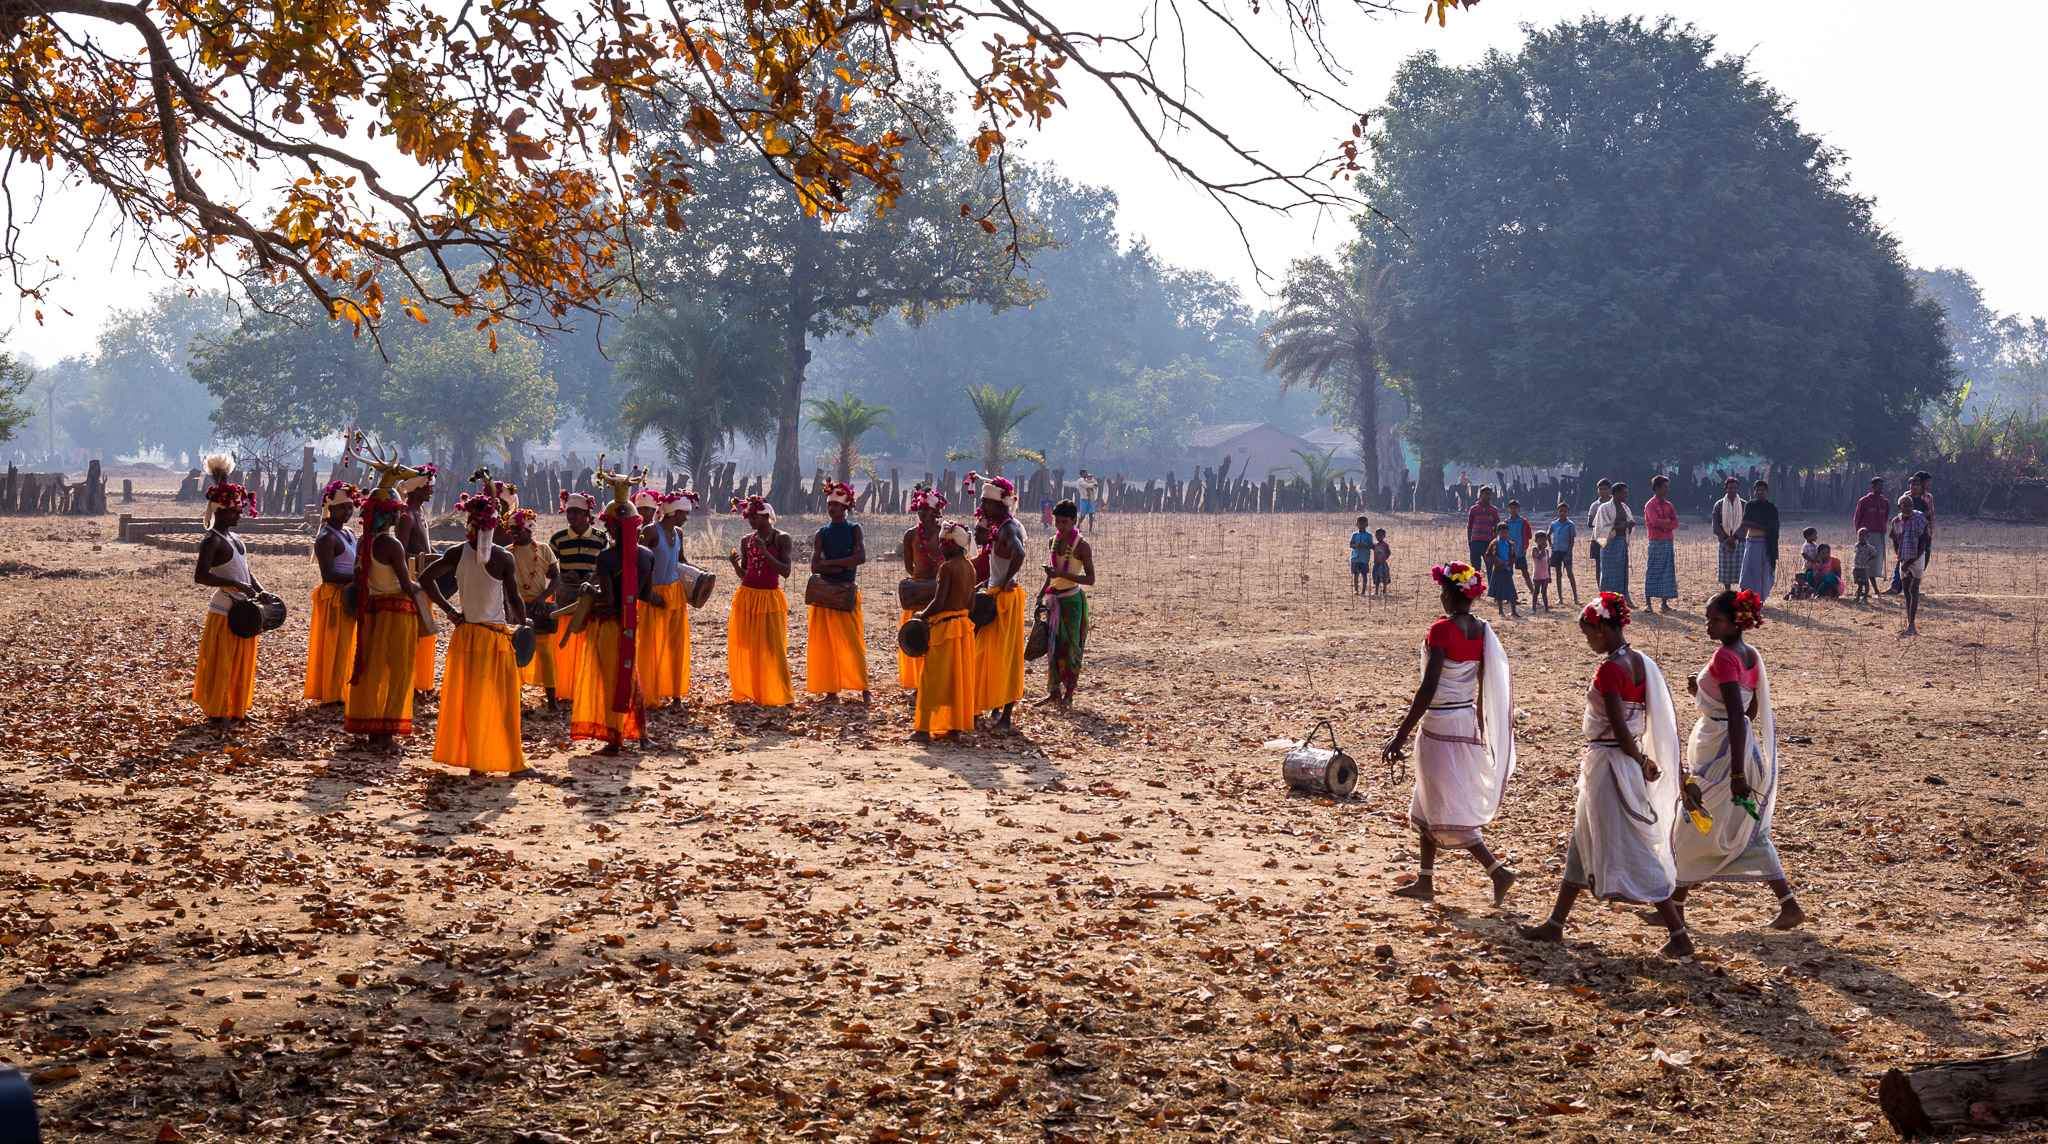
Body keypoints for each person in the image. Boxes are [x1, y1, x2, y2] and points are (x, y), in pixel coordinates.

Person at [1517, 593, 1692, 958]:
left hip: (1612, 765)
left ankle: (1678, 932)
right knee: (1581, 840)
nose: (1588, 642)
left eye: (1588, 635)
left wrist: (1640, 757)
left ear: (1602, 627)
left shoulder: (1611, 669)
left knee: (1633, 846)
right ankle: (1555, 924)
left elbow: (1618, 725)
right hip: (1620, 764)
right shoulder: (1640, 663)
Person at [1380, 562, 1518, 905]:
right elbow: (1484, 683)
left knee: (1447, 802)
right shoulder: (1483, 630)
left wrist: (1401, 735)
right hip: (1464, 720)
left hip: (1440, 724)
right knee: (1428, 797)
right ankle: (1425, 880)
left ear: (1447, 593)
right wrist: (1483, 728)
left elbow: (1428, 689)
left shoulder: (1441, 630)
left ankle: (1497, 871)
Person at [1671, 590, 1806, 930]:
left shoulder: (1725, 659)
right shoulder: (1749, 655)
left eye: (1715, 619)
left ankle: (1673, 910)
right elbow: (1749, 709)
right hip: (1739, 747)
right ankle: (1788, 905)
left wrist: (1734, 775)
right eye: (1707, 618)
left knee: (1692, 821)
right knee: (1742, 827)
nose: (1708, 625)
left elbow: (1734, 714)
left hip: (1723, 749)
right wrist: (1702, 693)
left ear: (1736, 621)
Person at [420, 491, 531, 774]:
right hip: (493, 636)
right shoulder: (503, 558)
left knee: (472, 699)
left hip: (466, 633)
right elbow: (515, 599)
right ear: (494, 526)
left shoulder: (458, 552)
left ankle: (476, 761)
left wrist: (450, 611)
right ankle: (509, 763)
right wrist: (525, 623)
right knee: (501, 701)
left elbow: (425, 577)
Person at [572, 485, 656, 753]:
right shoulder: (648, 555)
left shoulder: (606, 557)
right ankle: (641, 735)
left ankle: (615, 738)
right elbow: (646, 593)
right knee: (630, 677)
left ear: (617, 527)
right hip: (631, 624)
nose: (607, 531)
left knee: (611, 680)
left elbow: (607, 599)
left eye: (609, 526)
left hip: (609, 626)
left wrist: (588, 590)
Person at [345, 481, 424, 753]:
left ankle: (371, 732)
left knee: (373, 670)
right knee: (398, 672)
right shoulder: (392, 544)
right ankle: (387, 735)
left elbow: (357, 580)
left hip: (373, 612)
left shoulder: (363, 542)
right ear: (390, 515)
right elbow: (406, 585)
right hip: (398, 613)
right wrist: (423, 585)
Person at [192, 454, 266, 732]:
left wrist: (259, 590)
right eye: (234, 510)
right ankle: (217, 712)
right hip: (224, 609)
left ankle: (236, 708)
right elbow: (201, 576)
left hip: (244, 608)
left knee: (240, 663)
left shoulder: (234, 538)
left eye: (239, 509)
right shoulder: (211, 539)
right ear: (219, 510)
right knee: (223, 663)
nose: (239, 514)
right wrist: (237, 587)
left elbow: (245, 571)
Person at [911, 520, 979, 743]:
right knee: (956, 680)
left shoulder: (947, 568)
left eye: (945, 543)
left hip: (945, 629)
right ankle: (954, 728)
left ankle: (923, 730)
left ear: (956, 544)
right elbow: (971, 607)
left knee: (932, 679)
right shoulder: (970, 567)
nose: (940, 548)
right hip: (963, 629)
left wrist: (922, 615)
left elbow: (939, 602)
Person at [970, 472, 1028, 730]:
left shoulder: (1008, 528)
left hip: (1004, 600)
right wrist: (991, 582)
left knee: (1003, 656)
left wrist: (1004, 583)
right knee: (985, 655)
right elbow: (1000, 563)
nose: (982, 507)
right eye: (982, 501)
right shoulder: (999, 527)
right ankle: (986, 707)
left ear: (999, 505)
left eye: (986, 502)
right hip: (995, 594)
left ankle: (1005, 716)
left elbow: (1019, 553)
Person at [726, 494, 795, 705]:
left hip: (770, 597)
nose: (751, 520)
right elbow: (746, 573)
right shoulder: (746, 540)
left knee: (774, 647)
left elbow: (786, 571)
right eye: (749, 516)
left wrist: (765, 551)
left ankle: (782, 694)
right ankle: (753, 691)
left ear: (766, 516)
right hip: (747, 595)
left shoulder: (781, 538)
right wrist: (736, 566)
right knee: (748, 647)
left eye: (755, 516)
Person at [807, 482, 871, 704]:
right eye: (829, 504)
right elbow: (814, 567)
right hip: (824, 593)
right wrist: (845, 565)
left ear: (846, 507)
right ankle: (831, 692)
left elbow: (861, 558)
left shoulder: (855, 529)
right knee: (825, 644)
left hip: (846, 593)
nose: (831, 508)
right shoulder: (821, 533)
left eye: (835, 504)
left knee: (852, 642)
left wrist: (830, 564)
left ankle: (864, 689)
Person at [305, 480, 361, 707]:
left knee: (347, 645)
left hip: (349, 594)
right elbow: (328, 574)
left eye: (350, 508)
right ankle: (332, 691)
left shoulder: (347, 532)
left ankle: (343, 687)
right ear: (330, 509)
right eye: (342, 508)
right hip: (335, 597)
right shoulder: (326, 538)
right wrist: (358, 578)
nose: (347, 512)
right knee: (334, 646)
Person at [638, 490, 695, 708]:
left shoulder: (678, 533)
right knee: (650, 645)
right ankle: (648, 694)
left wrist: (697, 580)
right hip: (653, 593)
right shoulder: (650, 531)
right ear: (673, 512)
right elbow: (639, 561)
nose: (686, 518)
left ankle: (675, 695)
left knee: (676, 645)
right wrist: (649, 594)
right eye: (683, 514)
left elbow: (680, 560)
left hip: (675, 592)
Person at [551, 491, 608, 706]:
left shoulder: (601, 538)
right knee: (565, 640)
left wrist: (591, 577)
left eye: (576, 512)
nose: (571, 516)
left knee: (588, 639)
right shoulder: (558, 539)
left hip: (591, 597)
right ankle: (565, 685)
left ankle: (588, 686)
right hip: (565, 597)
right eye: (569, 512)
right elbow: (550, 569)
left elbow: (605, 567)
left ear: (587, 513)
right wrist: (564, 575)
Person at [1039, 499, 1095, 709]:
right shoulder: (1053, 541)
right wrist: (1040, 595)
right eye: (1057, 522)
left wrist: (1062, 574)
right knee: (1052, 647)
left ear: (1074, 520)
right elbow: (1052, 574)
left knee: (1070, 648)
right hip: (1054, 599)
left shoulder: (1082, 545)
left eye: (1064, 522)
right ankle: (1053, 692)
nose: (1060, 527)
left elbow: (1090, 579)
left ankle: (1069, 693)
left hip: (1072, 601)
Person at [508, 509, 564, 709]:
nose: (514, 532)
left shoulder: (543, 550)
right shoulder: (507, 553)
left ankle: (552, 702)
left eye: (518, 528)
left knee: (547, 655)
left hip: (540, 608)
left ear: (529, 529)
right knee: (513, 653)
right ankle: (513, 697)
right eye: (512, 528)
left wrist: (543, 597)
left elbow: (556, 576)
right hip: (516, 608)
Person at [899, 486, 949, 700]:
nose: (922, 512)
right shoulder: (910, 534)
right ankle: (920, 681)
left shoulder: (946, 532)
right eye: (919, 508)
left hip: (940, 590)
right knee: (917, 637)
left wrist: (937, 582)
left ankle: (936, 680)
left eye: (926, 509)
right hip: (918, 592)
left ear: (936, 511)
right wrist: (920, 583)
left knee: (937, 637)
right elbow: (909, 567)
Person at [394, 464, 440, 698]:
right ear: (417, 489)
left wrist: (435, 555)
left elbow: (424, 547)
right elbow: (399, 554)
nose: (431, 492)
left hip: (424, 576)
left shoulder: (419, 513)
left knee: (426, 632)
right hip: (411, 579)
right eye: (428, 488)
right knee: (415, 632)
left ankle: (421, 681)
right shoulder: (405, 516)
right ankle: (409, 682)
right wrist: (427, 557)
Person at [1892, 493, 1932, 636]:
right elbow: (1896, 541)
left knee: (1914, 589)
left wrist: (1909, 562)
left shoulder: (1919, 519)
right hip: (1904, 558)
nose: (1909, 508)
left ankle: (1911, 624)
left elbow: (1923, 543)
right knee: (1907, 592)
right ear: (1899, 507)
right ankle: (1910, 626)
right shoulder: (1896, 521)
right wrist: (1901, 559)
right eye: (1905, 506)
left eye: (1910, 505)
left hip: (1918, 557)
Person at [1737, 479, 1779, 602]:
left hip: (1766, 544)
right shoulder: (1750, 505)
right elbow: (1745, 522)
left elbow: (1774, 526)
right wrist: (1763, 526)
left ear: (1766, 492)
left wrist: (1758, 524)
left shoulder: (1771, 508)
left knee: (1764, 572)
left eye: (1763, 490)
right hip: (1752, 542)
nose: (1760, 492)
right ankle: (1745, 598)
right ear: (1754, 492)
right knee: (1748, 571)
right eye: (1758, 490)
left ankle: (1760, 599)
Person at [1593, 480, 1634, 602]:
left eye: (1627, 493)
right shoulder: (1604, 508)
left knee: (1621, 572)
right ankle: (1606, 599)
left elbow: (1628, 524)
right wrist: (1617, 527)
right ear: (1616, 493)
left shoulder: (1625, 508)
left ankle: (1621, 598)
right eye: (1624, 493)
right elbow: (1599, 528)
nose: (1626, 495)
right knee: (1608, 573)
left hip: (1622, 542)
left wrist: (1629, 525)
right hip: (1609, 544)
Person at [1643, 475, 1679, 611]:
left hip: (1668, 541)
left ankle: (1664, 604)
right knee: (1652, 571)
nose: (1667, 489)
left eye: (1668, 487)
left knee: (1667, 572)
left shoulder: (1669, 505)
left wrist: (1665, 524)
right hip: (1656, 541)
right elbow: (1655, 522)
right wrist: (1667, 523)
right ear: (1657, 488)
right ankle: (1648, 603)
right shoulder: (1650, 505)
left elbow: (1676, 522)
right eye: (1665, 486)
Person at [1710, 476, 1746, 591]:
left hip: (1740, 542)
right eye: (1730, 488)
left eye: (1735, 488)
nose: (1733, 490)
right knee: (1725, 571)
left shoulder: (1744, 504)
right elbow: (1715, 525)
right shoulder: (1719, 505)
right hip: (1724, 542)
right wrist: (1726, 539)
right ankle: (1727, 592)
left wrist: (1735, 537)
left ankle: (1742, 594)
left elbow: (1746, 524)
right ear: (1725, 489)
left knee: (1742, 571)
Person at [1485, 521, 1520, 618]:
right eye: (1502, 532)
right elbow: (1487, 556)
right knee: (1499, 592)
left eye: (1506, 533)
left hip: (1507, 570)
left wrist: (1509, 562)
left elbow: (1514, 557)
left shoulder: (1511, 544)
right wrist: (1497, 561)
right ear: (1497, 533)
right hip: (1497, 570)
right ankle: (1500, 611)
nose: (1504, 534)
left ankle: (1514, 611)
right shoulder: (1494, 543)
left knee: (1511, 591)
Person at [1502, 500, 1536, 596]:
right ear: (1508, 510)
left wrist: (1524, 544)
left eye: (1515, 508)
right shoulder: (1506, 522)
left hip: (1520, 551)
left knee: (1525, 573)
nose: (1513, 510)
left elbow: (1529, 535)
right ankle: (1508, 594)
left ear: (1519, 509)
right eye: (1511, 508)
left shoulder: (1523, 522)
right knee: (1509, 573)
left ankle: (1534, 594)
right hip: (1509, 552)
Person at [1548, 502, 1579, 604]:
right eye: (1560, 511)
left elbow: (1572, 540)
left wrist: (1568, 554)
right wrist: (1551, 544)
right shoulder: (1554, 524)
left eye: (1565, 511)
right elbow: (1548, 534)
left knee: (1570, 574)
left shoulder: (1570, 525)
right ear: (1557, 512)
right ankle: (1560, 598)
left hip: (1566, 551)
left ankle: (1575, 598)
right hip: (1556, 551)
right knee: (1558, 574)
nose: (1562, 513)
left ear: (1568, 513)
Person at [1465, 485, 1500, 572]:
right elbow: (1469, 526)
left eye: (1490, 494)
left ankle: (1491, 586)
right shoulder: (1474, 509)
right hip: (1475, 542)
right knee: (1475, 569)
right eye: (1486, 494)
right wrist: (1470, 542)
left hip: (1488, 543)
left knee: (1490, 568)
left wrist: (1494, 541)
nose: (1488, 496)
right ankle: (1476, 586)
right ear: (1480, 495)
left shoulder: (1494, 510)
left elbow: (1497, 528)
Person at [1584, 479, 1613, 575]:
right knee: (1599, 564)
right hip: (1598, 537)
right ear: (1598, 490)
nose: (1603, 491)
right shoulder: (1594, 505)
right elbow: (1589, 523)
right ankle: (1600, 588)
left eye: (1605, 489)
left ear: (1610, 490)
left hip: (1612, 536)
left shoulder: (1615, 503)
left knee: (1611, 564)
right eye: (1601, 489)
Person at [1852, 527, 1882, 602]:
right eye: (1859, 535)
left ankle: (1865, 597)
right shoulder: (1856, 545)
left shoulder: (1869, 547)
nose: (1861, 537)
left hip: (1864, 567)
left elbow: (1875, 553)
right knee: (1859, 583)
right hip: (1856, 567)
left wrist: (1868, 559)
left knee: (1865, 582)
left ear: (1867, 537)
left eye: (1863, 536)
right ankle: (1858, 597)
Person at [1528, 529, 1553, 611]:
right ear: (1536, 541)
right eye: (1540, 540)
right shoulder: (1535, 549)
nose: (1542, 542)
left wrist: (1549, 575)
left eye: (1544, 540)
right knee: (1536, 591)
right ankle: (1533, 608)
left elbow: (1548, 563)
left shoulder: (1546, 551)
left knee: (1544, 592)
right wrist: (1542, 548)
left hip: (1545, 574)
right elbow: (1539, 557)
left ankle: (1546, 608)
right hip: (1537, 574)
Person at [1349, 515, 1374, 596]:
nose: (1361, 526)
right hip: (1355, 558)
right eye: (1360, 524)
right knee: (1355, 575)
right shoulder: (1354, 534)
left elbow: (1371, 546)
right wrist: (1356, 545)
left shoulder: (1368, 535)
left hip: (1364, 558)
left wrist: (1363, 546)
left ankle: (1363, 591)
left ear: (1366, 525)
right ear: (1357, 525)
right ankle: (1356, 590)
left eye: (1363, 524)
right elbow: (1351, 545)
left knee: (1364, 575)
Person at [1371, 529, 1392, 596]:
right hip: (1376, 564)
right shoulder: (1375, 545)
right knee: (1376, 577)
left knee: (1385, 577)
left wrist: (1384, 559)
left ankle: (1384, 591)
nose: (1379, 536)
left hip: (1383, 563)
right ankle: (1376, 591)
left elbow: (1388, 552)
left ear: (1384, 536)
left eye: (1381, 535)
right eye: (1377, 535)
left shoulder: (1385, 545)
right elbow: (1371, 547)